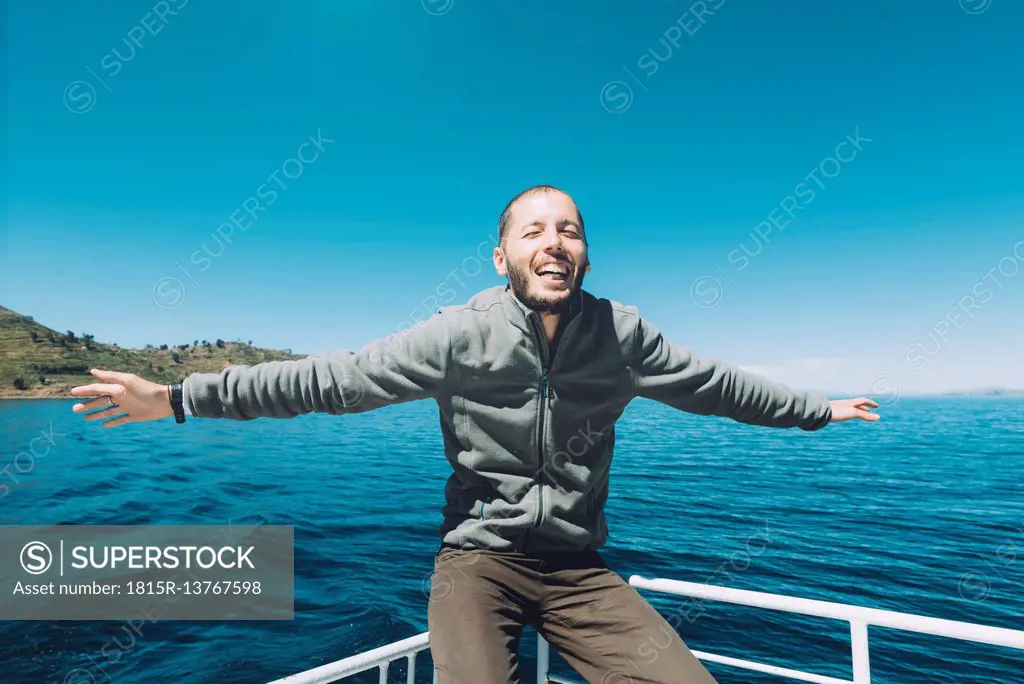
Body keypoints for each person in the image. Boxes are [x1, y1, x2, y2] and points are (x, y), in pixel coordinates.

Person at [71, 185, 880, 683]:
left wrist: (818, 411)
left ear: (586, 253)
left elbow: (718, 386)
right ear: (503, 257)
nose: (552, 243)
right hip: (477, 562)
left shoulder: (623, 337)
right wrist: (179, 398)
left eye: (567, 230)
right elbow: (327, 379)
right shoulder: (456, 336)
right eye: (532, 231)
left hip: (580, 570)